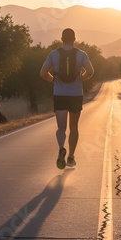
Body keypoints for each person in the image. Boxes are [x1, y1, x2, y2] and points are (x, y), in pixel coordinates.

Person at [40, 28, 94, 169]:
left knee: (61, 127)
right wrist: (81, 78)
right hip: (76, 94)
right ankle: (70, 157)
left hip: (60, 94)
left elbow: (43, 73)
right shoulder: (81, 54)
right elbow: (91, 71)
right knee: (74, 126)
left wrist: (53, 80)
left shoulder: (53, 54)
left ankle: (61, 148)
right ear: (74, 39)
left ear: (61, 38)